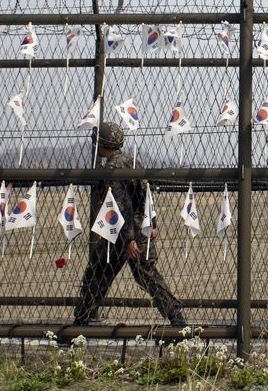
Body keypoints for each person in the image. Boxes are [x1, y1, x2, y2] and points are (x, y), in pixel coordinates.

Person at [72, 122, 186, 328]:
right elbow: (146, 195)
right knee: (146, 275)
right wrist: (151, 224)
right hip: (139, 229)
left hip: (122, 233)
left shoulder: (113, 169)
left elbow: (120, 206)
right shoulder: (132, 162)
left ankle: (80, 322)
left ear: (102, 143)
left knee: (98, 274)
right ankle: (176, 318)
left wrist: (129, 239)